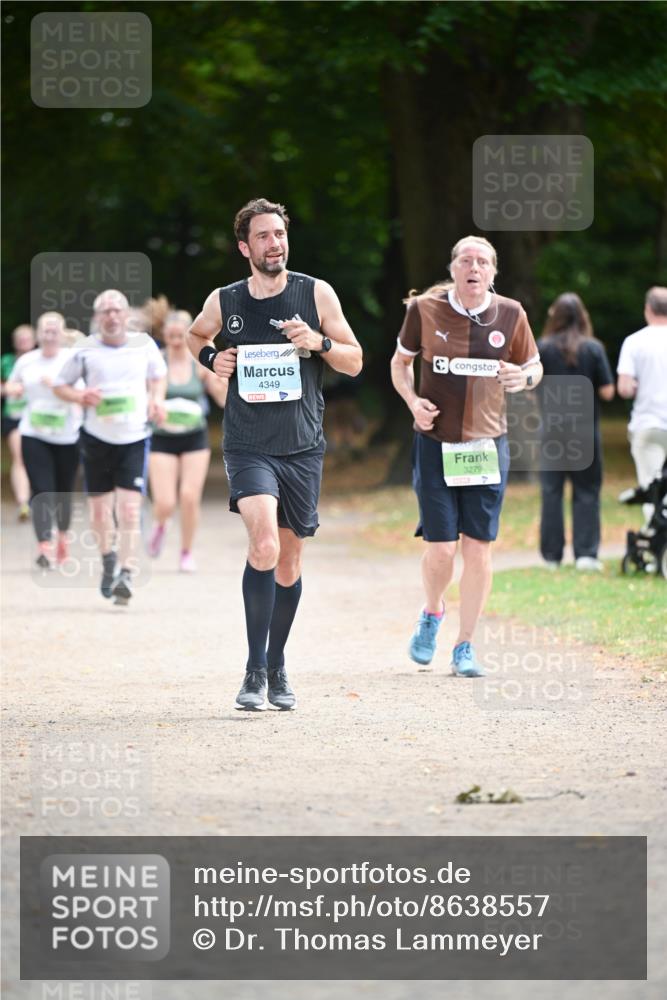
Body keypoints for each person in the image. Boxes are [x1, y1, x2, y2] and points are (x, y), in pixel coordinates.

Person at [188, 197, 362, 711]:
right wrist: (211, 357)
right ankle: (252, 670)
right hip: (247, 445)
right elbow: (196, 335)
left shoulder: (316, 294)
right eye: (263, 236)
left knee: (288, 560)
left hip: (302, 447)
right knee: (262, 546)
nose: (274, 244)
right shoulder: (228, 300)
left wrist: (318, 343)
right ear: (245, 246)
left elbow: (354, 360)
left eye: (280, 234)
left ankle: (278, 662)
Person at [390, 235, 542, 677]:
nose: (474, 267)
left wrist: (522, 378)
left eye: (482, 262)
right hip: (436, 444)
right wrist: (413, 402)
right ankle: (433, 612)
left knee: (477, 548)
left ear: (493, 273)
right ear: (453, 267)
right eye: (466, 260)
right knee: (441, 550)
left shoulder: (511, 313)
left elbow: (534, 367)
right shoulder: (425, 310)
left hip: (486, 445)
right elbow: (399, 363)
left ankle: (465, 645)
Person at [53, 289, 167, 605]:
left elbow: (158, 376)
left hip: (133, 438)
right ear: (97, 317)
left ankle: (126, 572)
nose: (112, 316)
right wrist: (80, 396)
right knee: (100, 512)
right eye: (105, 311)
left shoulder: (143, 346)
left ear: (126, 315)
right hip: (95, 438)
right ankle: (108, 560)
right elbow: (60, 386)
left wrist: (156, 400)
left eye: (117, 310)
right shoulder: (84, 350)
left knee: (129, 509)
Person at [537, 293, 615, 571]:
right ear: (583, 317)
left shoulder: (542, 348)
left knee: (551, 493)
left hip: (552, 433)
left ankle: (551, 557)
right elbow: (607, 391)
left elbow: (530, 385)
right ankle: (585, 554)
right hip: (585, 432)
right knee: (587, 491)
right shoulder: (593, 349)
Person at [148, 309, 228, 571]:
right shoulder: (156, 362)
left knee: (189, 497)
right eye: (170, 332)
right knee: (165, 501)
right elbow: (148, 394)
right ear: (164, 335)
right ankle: (161, 524)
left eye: (181, 331)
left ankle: (186, 552)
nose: (175, 335)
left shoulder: (198, 364)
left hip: (194, 437)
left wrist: (222, 384)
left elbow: (221, 400)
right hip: (162, 437)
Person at [4, 313, 82, 567]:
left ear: (62, 334)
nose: (49, 336)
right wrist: (13, 390)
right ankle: (44, 547)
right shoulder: (27, 361)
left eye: (53, 331)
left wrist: (58, 387)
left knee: (62, 493)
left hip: (67, 436)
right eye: (45, 331)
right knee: (42, 491)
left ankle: (62, 539)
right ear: (38, 335)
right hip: (33, 433)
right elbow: (12, 387)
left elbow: (83, 395)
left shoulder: (71, 360)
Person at [617, 286, 667, 525]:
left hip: (648, 425)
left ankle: (656, 546)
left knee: (651, 487)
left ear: (648, 309)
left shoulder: (634, 342)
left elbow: (624, 387)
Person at [1, 324, 36, 520]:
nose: (23, 341)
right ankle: (23, 502)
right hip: (15, 417)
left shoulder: (43, 360)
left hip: (41, 418)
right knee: (20, 456)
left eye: (26, 337)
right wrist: (7, 389)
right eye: (19, 338)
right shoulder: (6, 361)